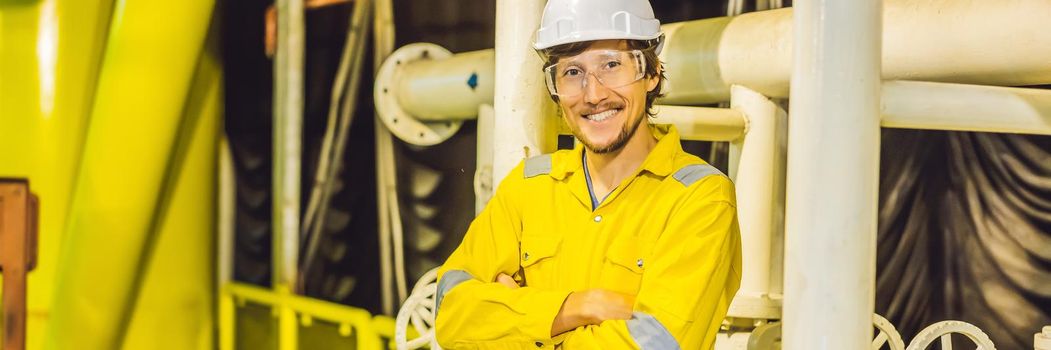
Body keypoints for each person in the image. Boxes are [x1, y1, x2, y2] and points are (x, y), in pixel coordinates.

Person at [434, 0, 742, 348]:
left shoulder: (700, 198)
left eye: (611, 65)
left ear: (652, 73)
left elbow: (657, 343)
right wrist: (577, 307)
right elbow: (449, 311)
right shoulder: (527, 187)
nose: (593, 94)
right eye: (572, 72)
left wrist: (519, 320)